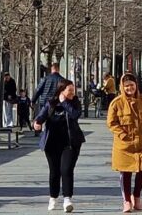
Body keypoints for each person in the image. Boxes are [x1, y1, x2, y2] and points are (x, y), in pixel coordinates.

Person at [107, 73, 142, 212]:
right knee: (126, 172)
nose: (130, 88)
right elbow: (111, 123)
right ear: (122, 87)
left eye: (132, 85)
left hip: (141, 142)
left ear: (136, 86)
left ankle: (137, 195)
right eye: (127, 86)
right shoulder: (116, 103)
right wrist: (122, 135)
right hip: (123, 145)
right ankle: (127, 200)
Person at [34, 79, 86, 213]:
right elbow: (41, 116)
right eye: (70, 91)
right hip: (52, 143)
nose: (72, 93)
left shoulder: (74, 103)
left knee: (66, 169)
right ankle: (53, 197)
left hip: (70, 143)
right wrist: (38, 123)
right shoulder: (51, 103)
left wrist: (65, 102)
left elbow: (75, 115)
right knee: (54, 171)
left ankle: (67, 199)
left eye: (73, 91)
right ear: (61, 91)